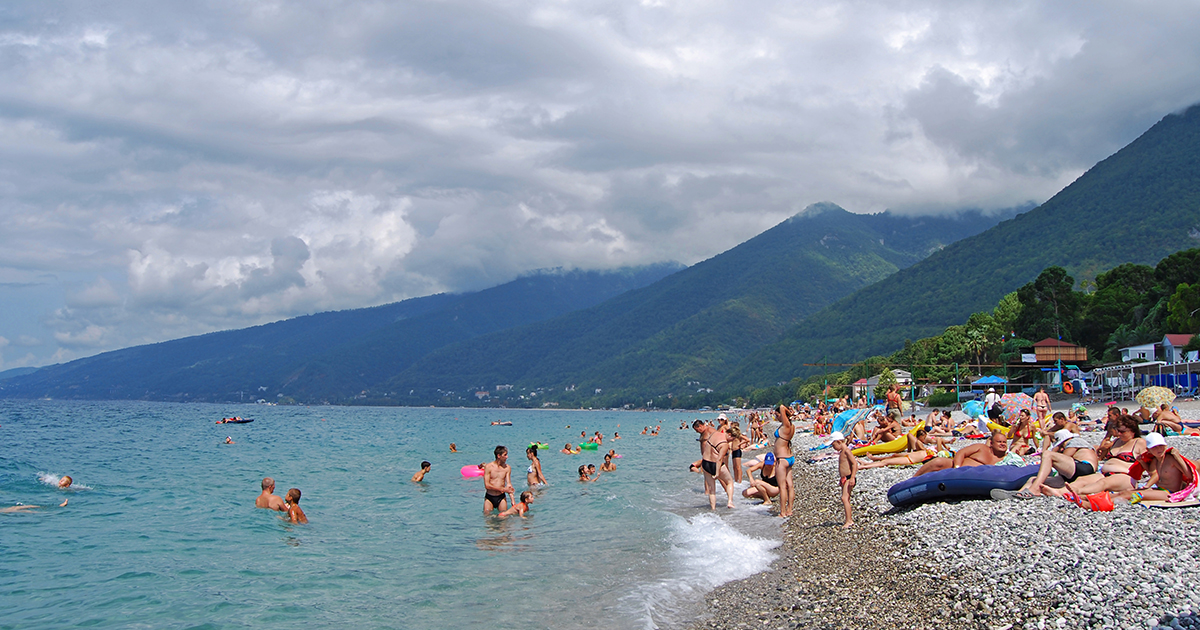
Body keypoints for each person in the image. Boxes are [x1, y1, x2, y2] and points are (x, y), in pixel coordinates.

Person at [1116, 432, 1199, 503]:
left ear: (1165, 446)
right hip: (1160, 489)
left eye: (1161, 446)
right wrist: (1142, 462)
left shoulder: (1171, 459)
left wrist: (1178, 457)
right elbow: (1151, 473)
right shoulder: (1156, 460)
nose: (1159, 449)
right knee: (1125, 491)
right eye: (1154, 447)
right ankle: (1105, 498)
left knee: (1128, 494)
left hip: (1169, 492)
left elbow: (1189, 475)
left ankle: (1106, 504)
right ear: (1148, 450)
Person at [1026, 429, 1100, 496]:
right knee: (1033, 479)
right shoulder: (1081, 444)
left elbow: (1064, 456)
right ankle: (1021, 493)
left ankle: (1035, 489)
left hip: (1084, 466)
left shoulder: (1075, 441)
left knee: (1047, 454)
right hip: (1076, 473)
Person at [913, 430, 1010, 476]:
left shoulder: (1007, 458)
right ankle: (911, 482)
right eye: (999, 442)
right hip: (955, 468)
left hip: (974, 478)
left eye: (1004, 442)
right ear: (992, 443)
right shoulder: (982, 448)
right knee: (938, 462)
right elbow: (961, 452)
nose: (1002, 444)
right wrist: (957, 468)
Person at [691, 419, 735, 510]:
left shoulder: (710, 430)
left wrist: (724, 453)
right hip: (707, 460)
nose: (697, 432)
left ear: (701, 426)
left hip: (714, 460)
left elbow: (720, 439)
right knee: (711, 486)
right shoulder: (703, 433)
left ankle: (729, 497)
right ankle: (713, 506)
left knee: (722, 480)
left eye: (697, 429)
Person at [772, 404, 796, 517]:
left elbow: (781, 406)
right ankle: (789, 509)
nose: (777, 417)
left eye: (777, 415)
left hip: (782, 459)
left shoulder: (786, 425)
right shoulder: (791, 426)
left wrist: (788, 412)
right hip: (789, 457)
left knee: (782, 486)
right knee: (790, 485)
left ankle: (782, 512)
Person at [831, 432, 857, 528]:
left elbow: (854, 464)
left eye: (833, 445)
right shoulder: (842, 451)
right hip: (844, 478)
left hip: (849, 477)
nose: (833, 447)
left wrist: (853, 477)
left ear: (838, 442)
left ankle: (849, 520)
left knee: (844, 498)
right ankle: (848, 518)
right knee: (846, 498)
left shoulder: (846, 451)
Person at [482, 445, 514, 515]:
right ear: (499, 456)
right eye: (505, 455)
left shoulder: (507, 468)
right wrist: (502, 489)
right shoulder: (489, 467)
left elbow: (509, 485)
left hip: (501, 497)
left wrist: (513, 502)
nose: (507, 457)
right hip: (489, 497)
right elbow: (487, 485)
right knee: (488, 518)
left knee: (503, 518)